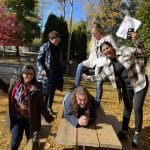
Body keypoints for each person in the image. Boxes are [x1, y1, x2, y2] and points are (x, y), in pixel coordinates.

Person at [94, 32, 149, 147]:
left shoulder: (124, 50)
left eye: (107, 48)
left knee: (137, 107)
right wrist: (88, 77)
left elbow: (140, 52)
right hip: (126, 86)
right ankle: (124, 131)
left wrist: (135, 40)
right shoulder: (108, 64)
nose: (106, 51)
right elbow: (102, 76)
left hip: (139, 82)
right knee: (127, 108)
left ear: (111, 47)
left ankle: (137, 134)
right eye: (103, 50)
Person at [8, 64, 54, 150]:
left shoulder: (37, 87)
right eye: (26, 73)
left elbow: (42, 106)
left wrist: (49, 118)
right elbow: (8, 91)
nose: (29, 76)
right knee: (15, 141)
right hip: (17, 119)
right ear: (22, 73)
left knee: (30, 144)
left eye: (31, 74)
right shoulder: (14, 83)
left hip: (31, 120)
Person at [74, 23, 118, 108]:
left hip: (102, 63)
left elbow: (115, 49)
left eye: (95, 33)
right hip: (92, 61)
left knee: (98, 84)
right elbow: (91, 54)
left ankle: (97, 103)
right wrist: (86, 69)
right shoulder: (93, 41)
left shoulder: (108, 38)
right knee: (80, 66)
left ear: (100, 30)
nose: (93, 35)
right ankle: (76, 88)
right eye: (92, 33)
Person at [37, 31, 64, 117]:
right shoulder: (45, 47)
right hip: (46, 75)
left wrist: (66, 63)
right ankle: (43, 112)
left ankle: (49, 108)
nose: (56, 41)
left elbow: (58, 62)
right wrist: (42, 69)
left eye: (58, 39)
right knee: (45, 95)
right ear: (50, 39)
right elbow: (38, 60)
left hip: (55, 75)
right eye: (55, 39)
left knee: (52, 93)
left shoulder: (58, 49)